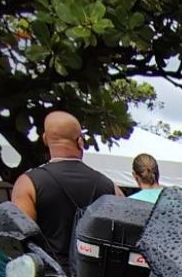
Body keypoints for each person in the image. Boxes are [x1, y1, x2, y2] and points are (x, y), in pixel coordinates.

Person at [11, 111, 119, 264]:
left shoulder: (27, 183)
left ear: (45, 139)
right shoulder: (110, 186)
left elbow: (21, 241)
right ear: (80, 141)